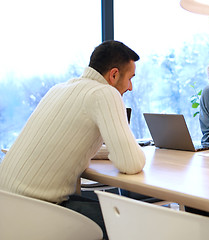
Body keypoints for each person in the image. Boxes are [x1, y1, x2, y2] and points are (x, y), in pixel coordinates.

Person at [0, 40, 146, 239]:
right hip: (37, 213)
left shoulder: (60, 89)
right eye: (130, 78)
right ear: (113, 74)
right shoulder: (104, 93)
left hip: (7, 208)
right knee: (133, 222)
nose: (130, 87)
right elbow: (131, 163)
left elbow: (66, 143)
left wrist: (109, 150)